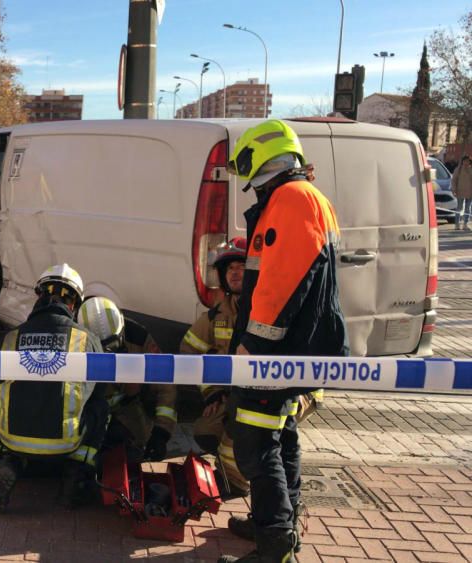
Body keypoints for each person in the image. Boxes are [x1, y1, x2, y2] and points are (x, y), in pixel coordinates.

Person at [218, 120, 348, 563]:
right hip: (296, 348)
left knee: (255, 445)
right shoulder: (304, 198)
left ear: (260, 158)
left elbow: (280, 283)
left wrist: (254, 345)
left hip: (274, 352)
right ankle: (277, 526)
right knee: (281, 435)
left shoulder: (291, 200)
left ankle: (274, 544)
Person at [182, 238, 324, 504]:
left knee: (246, 431)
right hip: (245, 390)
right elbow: (189, 353)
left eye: (242, 266)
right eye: (230, 268)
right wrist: (213, 392)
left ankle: (242, 483)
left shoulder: (273, 309)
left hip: (294, 390)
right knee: (207, 427)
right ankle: (244, 477)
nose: (235, 272)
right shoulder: (218, 316)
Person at [0, 264, 107, 513]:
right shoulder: (87, 340)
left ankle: (5, 463)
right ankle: (77, 474)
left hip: (13, 438)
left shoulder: (11, 338)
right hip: (66, 442)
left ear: (39, 297)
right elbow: (100, 393)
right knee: (101, 408)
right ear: (74, 304)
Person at [76, 297, 176, 463]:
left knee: (134, 448)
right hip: (89, 408)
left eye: (112, 345)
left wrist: (161, 433)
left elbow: (165, 386)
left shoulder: (139, 338)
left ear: (122, 329)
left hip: (128, 405)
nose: (108, 353)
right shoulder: (73, 340)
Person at [452, 156, 472, 231]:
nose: (466, 162)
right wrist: (454, 189)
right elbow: (454, 180)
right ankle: (457, 224)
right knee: (459, 208)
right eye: (465, 161)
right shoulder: (458, 169)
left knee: (468, 208)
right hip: (460, 191)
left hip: (470, 193)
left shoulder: (471, 169)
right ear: (462, 161)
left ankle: (465, 224)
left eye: (468, 161)